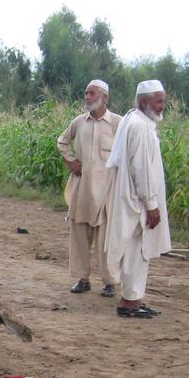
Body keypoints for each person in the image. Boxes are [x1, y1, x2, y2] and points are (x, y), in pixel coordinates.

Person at [105, 80, 172, 318]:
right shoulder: (140, 126)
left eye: (163, 101)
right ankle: (130, 302)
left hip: (133, 198)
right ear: (144, 102)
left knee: (135, 250)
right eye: (158, 101)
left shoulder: (135, 120)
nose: (162, 106)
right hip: (138, 201)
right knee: (137, 250)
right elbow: (141, 170)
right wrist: (152, 205)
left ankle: (132, 299)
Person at [57, 79, 122, 297]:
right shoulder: (79, 122)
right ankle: (82, 279)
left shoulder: (117, 123)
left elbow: (130, 151)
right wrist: (70, 161)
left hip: (107, 193)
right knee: (79, 236)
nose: (87, 97)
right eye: (86, 93)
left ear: (104, 97)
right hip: (82, 189)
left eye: (91, 93)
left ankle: (109, 282)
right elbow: (62, 141)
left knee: (106, 240)